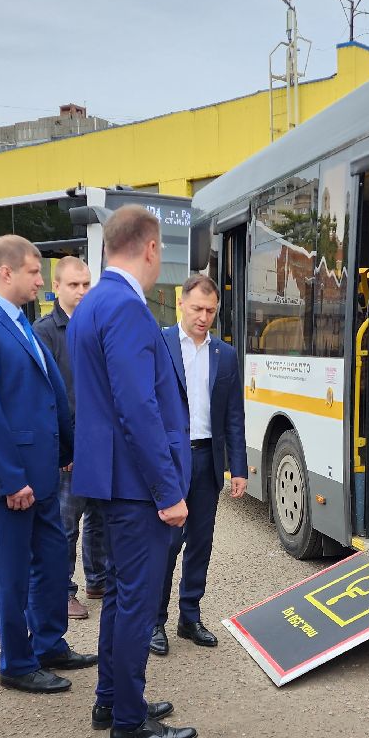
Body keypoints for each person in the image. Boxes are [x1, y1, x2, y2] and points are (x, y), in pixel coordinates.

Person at [69, 205, 197, 738]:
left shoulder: (94, 303)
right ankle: (129, 719)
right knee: (137, 601)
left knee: (122, 595)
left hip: (112, 478)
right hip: (135, 485)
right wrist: (168, 490)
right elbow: (137, 406)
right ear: (150, 248)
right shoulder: (125, 307)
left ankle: (113, 699)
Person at [0, 235, 97, 695]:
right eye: (34, 272)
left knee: (51, 562)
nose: (40, 281)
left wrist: (67, 450)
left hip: (43, 473)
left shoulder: (17, 319)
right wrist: (11, 479)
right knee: (11, 574)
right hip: (8, 480)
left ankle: (49, 644)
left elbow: (48, 391)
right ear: (6, 272)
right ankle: (15, 662)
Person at [151, 274, 247, 656]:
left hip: (208, 459)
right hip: (170, 459)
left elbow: (234, 415)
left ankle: (189, 617)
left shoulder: (225, 355)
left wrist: (238, 468)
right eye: (197, 309)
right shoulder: (159, 344)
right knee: (167, 544)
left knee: (201, 544)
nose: (204, 317)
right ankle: (154, 621)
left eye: (210, 310)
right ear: (181, 304)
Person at [32, 256, 108, 620]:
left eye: (86, 284)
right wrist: (66, 446)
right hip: (68, 449)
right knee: (64, 525)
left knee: (99, 518)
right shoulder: (44, 332)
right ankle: (62, 592)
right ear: (56, 286)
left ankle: (98, 579)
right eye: (73, 285)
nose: (81, 291)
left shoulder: (96, 326)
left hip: (99, 443)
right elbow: (44, 395)